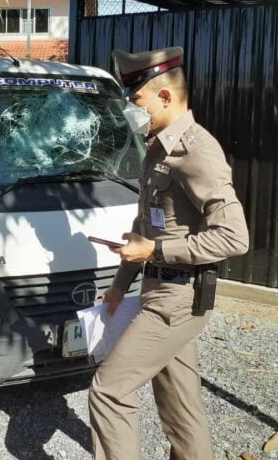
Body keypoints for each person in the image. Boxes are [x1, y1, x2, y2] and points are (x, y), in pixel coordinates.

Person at [88, 46, 249, 460]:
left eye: (135, 98)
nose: (129, 107)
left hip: (179, 298)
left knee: (109, 391)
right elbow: (147, 226)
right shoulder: (157, 147)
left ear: (164, 97)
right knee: (180, 405)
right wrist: (120, 286)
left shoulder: (197, 151)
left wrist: (157, 249)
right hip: (159, 290)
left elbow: (234, 237)